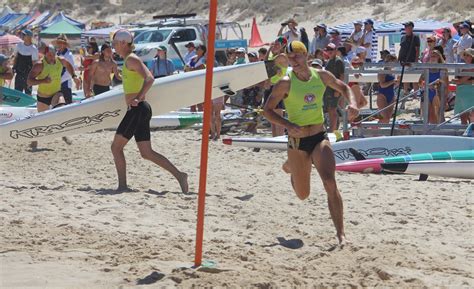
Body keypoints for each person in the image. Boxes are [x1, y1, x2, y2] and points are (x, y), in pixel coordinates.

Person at [263, 41, 358, 246]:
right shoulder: (285, 83)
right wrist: (287, 124)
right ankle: (290, 166)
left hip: (318, 137)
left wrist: (353, 103)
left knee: (329, 182)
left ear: (305, 55)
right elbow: (267, 110)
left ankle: (341, 235)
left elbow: (344, 87)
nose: (293, 61)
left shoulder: (321, 76)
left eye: (297, 56)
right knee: (303, 194)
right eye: (290, 57)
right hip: (297, 142)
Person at [110, 29, 188, 192]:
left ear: (124, 43)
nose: (114, 47)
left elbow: (150, 78)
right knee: (146, 152)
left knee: (116, 148)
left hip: (137, 109)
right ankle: (180, 175)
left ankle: (122, 186)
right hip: (140, 109)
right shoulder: (127, 61)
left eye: (115, 43)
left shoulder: (131, 59)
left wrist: (138, 97)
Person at [27, 43, 81, 150]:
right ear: (45, 54)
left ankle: (64, 134)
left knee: (61, 109)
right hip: (43, 97)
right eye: (49, 54)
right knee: (40, 120)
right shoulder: (39, 65)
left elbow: (69, 65)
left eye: (53, 54)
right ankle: (34, 140)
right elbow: (29, 81)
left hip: (56, 93)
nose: (51, 56)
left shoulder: (60, 60)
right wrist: (43, 80)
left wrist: (74, 76)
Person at [264, 36, 289, 137]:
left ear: (283, 46)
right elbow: (265, 61)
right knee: (271, 115)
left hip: (277, 87)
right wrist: (270, 48)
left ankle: (280, 137)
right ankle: (275, 137)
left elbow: (269, 64)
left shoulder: (282, 56)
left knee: (279, 115)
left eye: (277, 45)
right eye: (274, 44)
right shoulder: (273, 56)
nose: (275, 46)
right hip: (271, 87)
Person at [418, 49, 448, 124]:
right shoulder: (427, 68)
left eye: (435, 56)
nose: (432, 58)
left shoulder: (442, 69)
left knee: (438, 115)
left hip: (438, 93)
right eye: (431, 56)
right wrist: (426, 85)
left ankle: (438, 132)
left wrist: (446, 98)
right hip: (427, 92)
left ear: (439, 57)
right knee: (426, 115)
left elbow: (446, 84)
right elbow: (420, 82)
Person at [323, 43, 346, 132]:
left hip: (334, 88)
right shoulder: (329, 61)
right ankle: (333, 128)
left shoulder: (338, 61)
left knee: (332, 110)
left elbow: (341, 76)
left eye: (331, 50)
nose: (329, 52)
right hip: (328, 88)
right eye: (328, 50)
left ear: (336, 51)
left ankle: (333, 129)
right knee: (330, 109)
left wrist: (338, 90)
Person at [53, 34, 79, 104]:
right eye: (58, 43)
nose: (60, 45)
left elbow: (70, 72)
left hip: (65, 83)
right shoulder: (57, 53)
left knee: (67, 104)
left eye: (62, 43)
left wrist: (58, 80)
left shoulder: (68, 55)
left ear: (65, 44)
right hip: (56, 83)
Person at [12, 29, 38, 95]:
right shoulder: (19, 45)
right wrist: (13, 67)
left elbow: (34, 63)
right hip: (19, 72)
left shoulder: (33, 48)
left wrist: (34, 75)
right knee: (17, 91)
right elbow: (16, 57)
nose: (22, 36)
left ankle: (28, 104)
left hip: (28, 74)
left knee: (28, 92)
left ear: (29, 37)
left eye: (24, 35)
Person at [452, 48, 474, 124]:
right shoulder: (461, 67)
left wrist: (460, 81)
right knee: (462, 116)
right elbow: (457, 80)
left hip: (469, 92)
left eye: (468, 55)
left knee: (470, 116)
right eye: (465, 55)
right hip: (460, 92)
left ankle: (470, 133)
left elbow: (459, 81)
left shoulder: (472, 68)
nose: (466, 57)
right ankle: (464, 133)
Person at [377, 54, 399, 123]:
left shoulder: (393, 72)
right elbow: (382, 85)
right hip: (382, 95)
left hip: (391, 94)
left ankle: (379, 131)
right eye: (394, 62)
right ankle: (376, 130)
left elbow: (392, 85)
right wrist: (393, 81)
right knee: (385, 117)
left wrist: (396, 83)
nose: (395, 64)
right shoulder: (382, 71)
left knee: (388, 118)